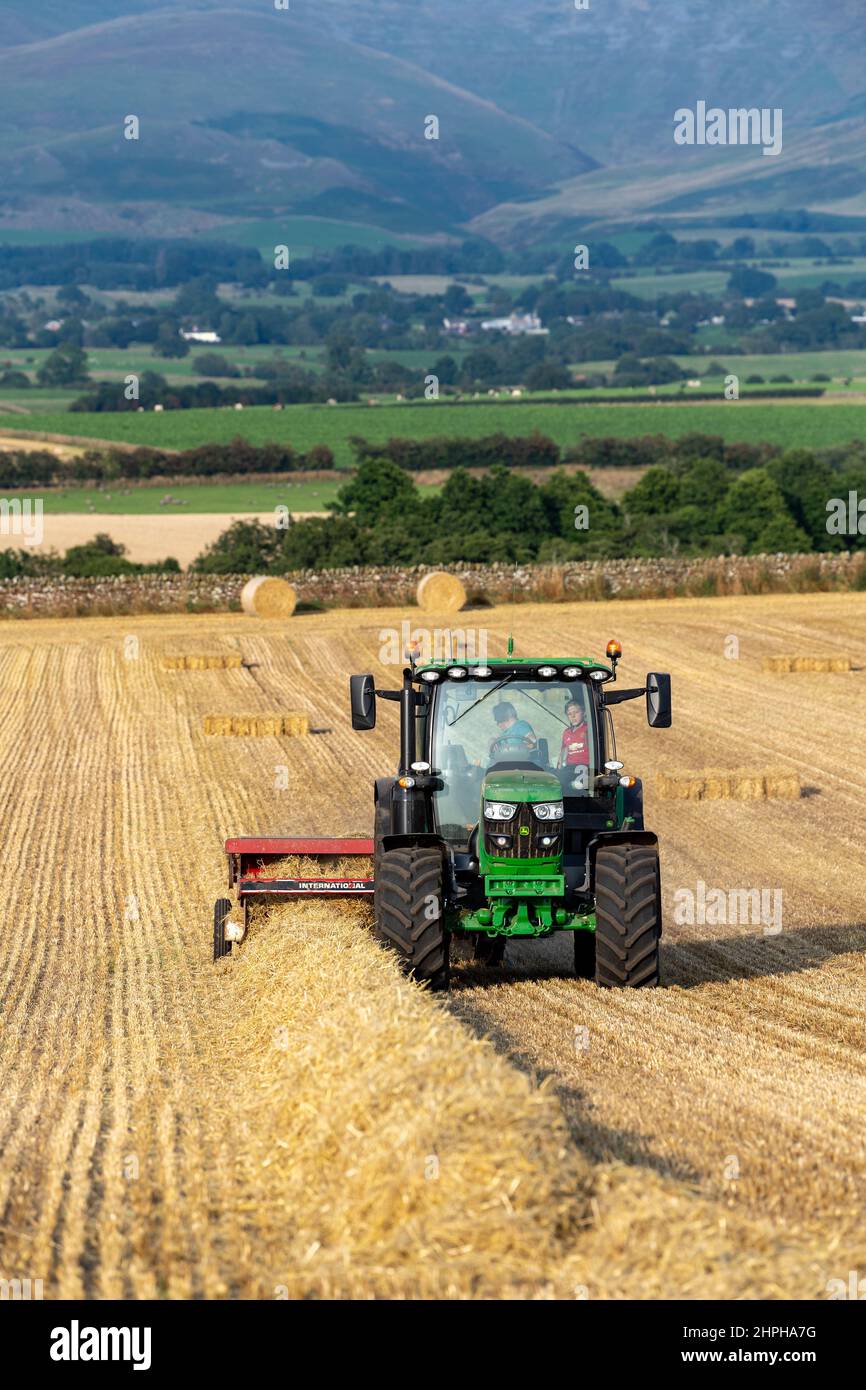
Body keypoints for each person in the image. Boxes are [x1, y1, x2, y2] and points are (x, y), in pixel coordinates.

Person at [558, 699, 590, 769]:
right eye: (569, 714)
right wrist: (559, 769)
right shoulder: (566, 732)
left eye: (576, 712)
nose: (573, 716)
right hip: (569, 768)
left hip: (586, 767)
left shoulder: (588, 729)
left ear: (583, 712)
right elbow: (562, 753)